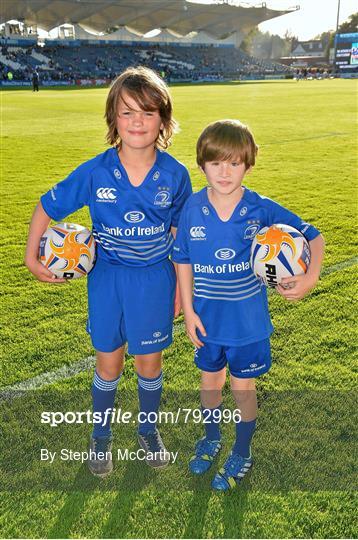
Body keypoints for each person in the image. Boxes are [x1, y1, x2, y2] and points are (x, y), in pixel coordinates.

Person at [25, 66, 192, 476]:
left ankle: (147, 430)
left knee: (149, 364)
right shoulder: (96, 171)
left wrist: (178, 291)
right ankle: (100, 436)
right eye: (127, 112)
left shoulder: (175, 175)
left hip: (155, 280)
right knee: (108, 364)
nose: (137, 122)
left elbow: (181, 236)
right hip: (107, 281)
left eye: (148, 113)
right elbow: (47, 206)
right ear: (113, 119)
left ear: (163, 120)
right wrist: (33, 256)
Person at [172, 119, 324, 491]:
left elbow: (313, 236)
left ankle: (242, 450)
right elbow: (183, 260)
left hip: (247, 326)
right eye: (216, 163)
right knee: (209, 383)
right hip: (207, 322)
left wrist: (310, 276)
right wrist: (189, 311)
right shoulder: (192, 208)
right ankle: (211, 437)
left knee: (243, 389)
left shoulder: (260, 209)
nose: (225, 172)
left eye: (234, 163)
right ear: (201, 165)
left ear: (249, 165)